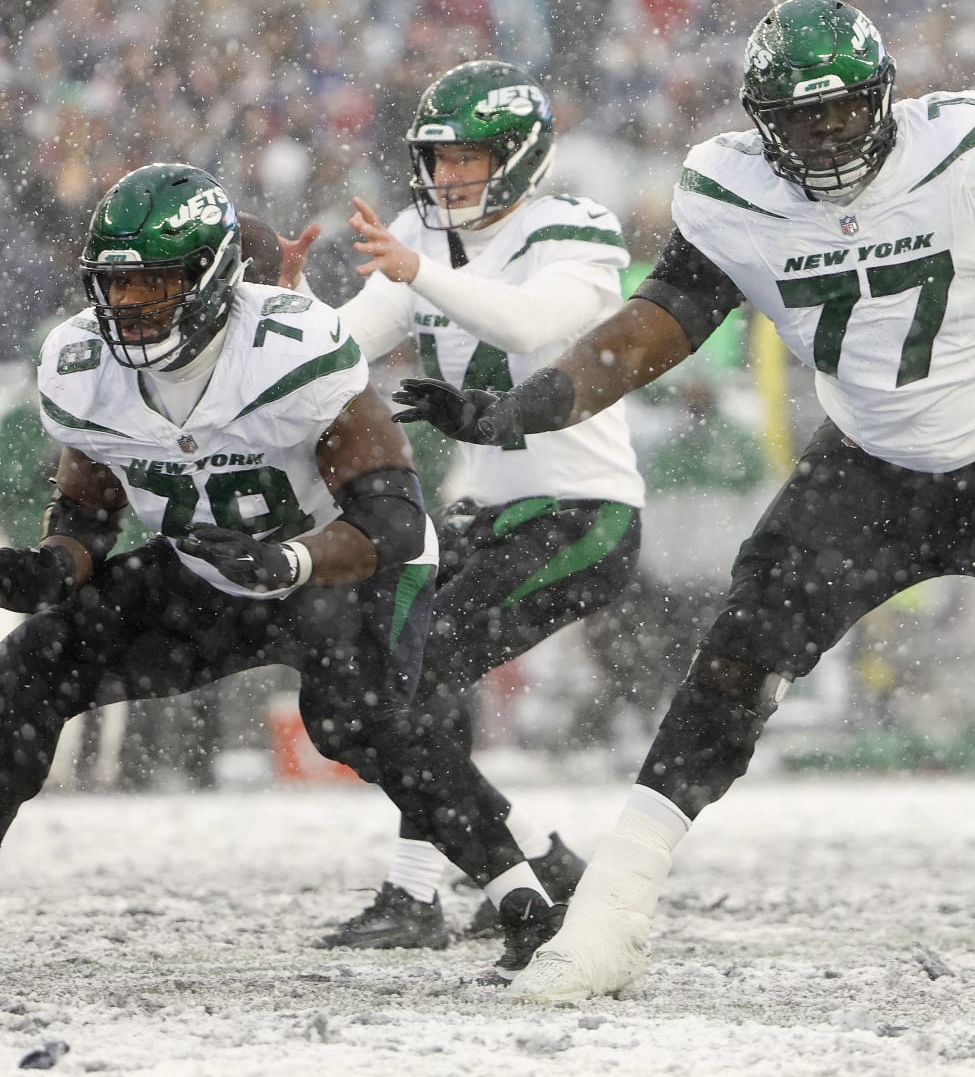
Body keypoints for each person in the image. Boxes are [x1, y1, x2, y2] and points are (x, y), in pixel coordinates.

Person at [393, 0, 975, 1002]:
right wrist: (524, 409)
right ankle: (607, 921)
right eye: (801, 117)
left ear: (884, 100)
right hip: (872, 467)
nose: (827, 134)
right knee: (730, 672)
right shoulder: (733, 194)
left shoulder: (961, 153)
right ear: (759, 122)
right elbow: (658, 326)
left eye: (843, 110)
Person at [0, 163, 563, 979]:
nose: (129, 308)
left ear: (211, 276)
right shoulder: (80, 364)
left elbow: (394, 522)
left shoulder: (292, 346)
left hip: (343, 563)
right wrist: (52, 571)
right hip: (211, 565)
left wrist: (287, 560)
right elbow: (88, 518)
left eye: (152, 284)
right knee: (33, 664)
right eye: (114, 287)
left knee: (354, 719)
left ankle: (527, 900)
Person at [291, 60, 642, 950]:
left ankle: (422, 894)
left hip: (581, 512)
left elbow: (528, 325)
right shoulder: (420, 235)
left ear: (521, 158)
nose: (449, 178)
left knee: (423, 661)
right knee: (382, 670)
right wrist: (286, 308)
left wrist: (418, 271)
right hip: (479, 512)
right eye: (437, 159)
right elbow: (343, 351)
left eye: (468, 159)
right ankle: (529, 857)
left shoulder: (573, 227)